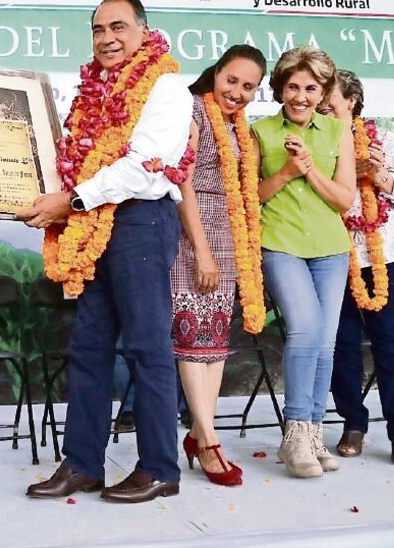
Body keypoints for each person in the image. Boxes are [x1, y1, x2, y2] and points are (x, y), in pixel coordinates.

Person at [19, 0, 192, 503]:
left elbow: (143, 165)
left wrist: (70, 200)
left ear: (144, 31)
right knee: (89, 348)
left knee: (145, 347)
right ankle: (82, 464)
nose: (107, 38)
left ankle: (159, 469)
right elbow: (70, 158)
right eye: (98, 30)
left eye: (118, 27)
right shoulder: (93, 94)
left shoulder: (165, 86)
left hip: (140, 221)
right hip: (94, 223)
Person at [251, 46, 355, 478]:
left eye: (311, 88)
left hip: (330, 247)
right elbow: (251, 196)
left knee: (325, 343)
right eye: (293, 86)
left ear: (323, 92)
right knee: (305, 330)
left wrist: (310, 170)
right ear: (279, 89)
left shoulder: (338, 131)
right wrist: (287, 174)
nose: (300, 96)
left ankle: (313, 433)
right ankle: (294, 433)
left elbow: (344, 199)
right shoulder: (260, 131)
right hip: (281, 243)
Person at [173, 45, 267, 487]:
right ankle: (210, 441)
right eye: (232, 80)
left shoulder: (237, 124)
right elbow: (183, 184)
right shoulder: (192, 111)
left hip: (230, 233)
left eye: (249, 86)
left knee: (213, 342)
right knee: (193, 335)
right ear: (215, 74)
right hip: (194, 232)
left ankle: (199, 432)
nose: (238, 92)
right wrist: (202, 250)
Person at [320, 70, 394, 465]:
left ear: (352, 100)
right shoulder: (315, 138)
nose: (321, 103)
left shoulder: (383, 139)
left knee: (389, 340)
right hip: (332, 252)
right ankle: (353, 423)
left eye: (329, 95)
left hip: (385, 253)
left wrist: (380, 176)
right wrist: (344, 170)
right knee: (341, 342)